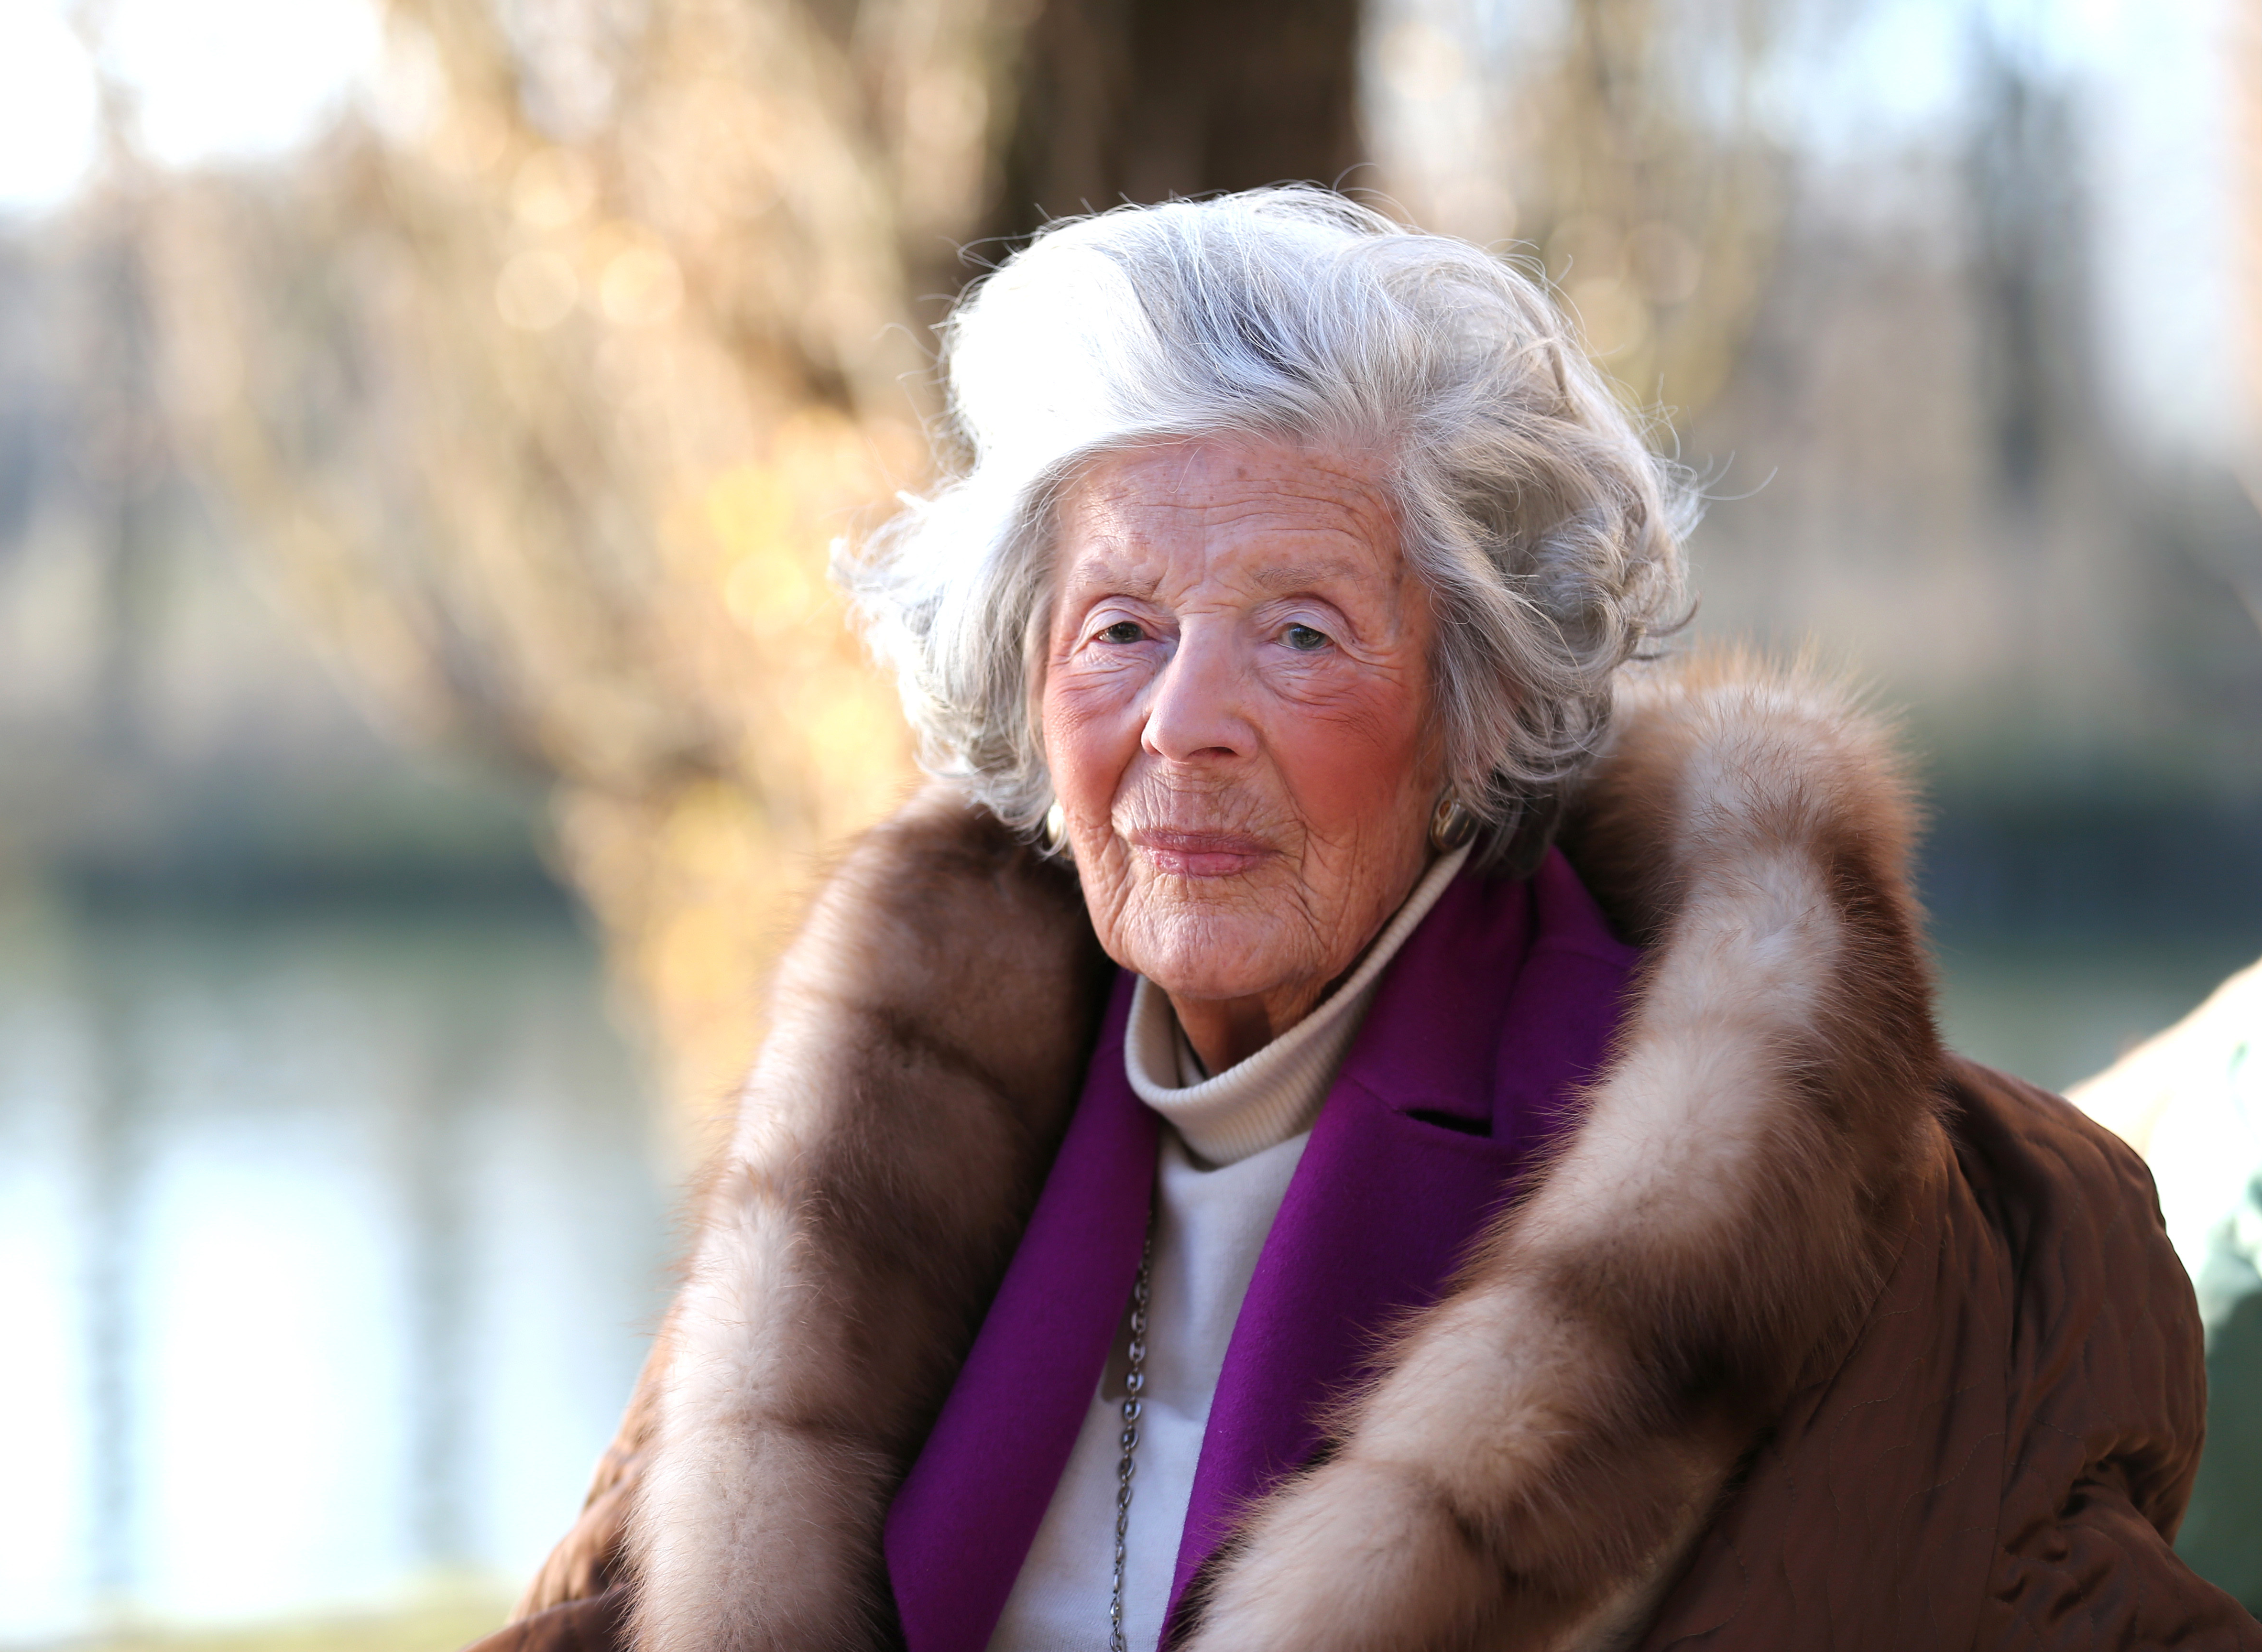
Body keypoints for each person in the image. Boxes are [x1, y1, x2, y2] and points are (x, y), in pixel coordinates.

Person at [471, 190, 2255, 1651]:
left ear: (1473, 706)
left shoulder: (1862, 1226)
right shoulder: (886, 1163)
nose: (1185, 722)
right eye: (1122, 627)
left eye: (1302, 630)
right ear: (1028, 681)